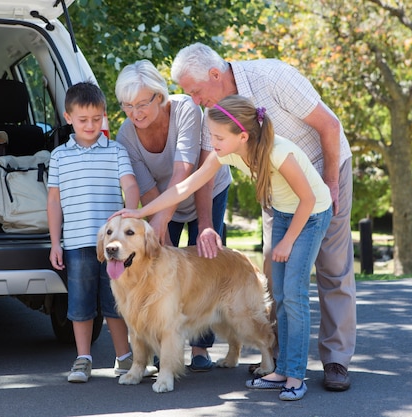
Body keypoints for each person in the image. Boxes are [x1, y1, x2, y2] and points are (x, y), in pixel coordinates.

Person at [113, 95, 332, 401]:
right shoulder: (225, 153)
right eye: (211, 136)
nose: (211, 142)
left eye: (217, 137)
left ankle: (295, 376)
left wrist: (287, 241)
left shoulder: (279, 153)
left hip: (311, 214)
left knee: (294, 296)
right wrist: (139, 211)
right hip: (284, 212)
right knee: (280, 295)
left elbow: (309, 200)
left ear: (242, 136)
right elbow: (183, 187)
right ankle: (280, 368)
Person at [170, 42, 356, 392]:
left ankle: (336, 360)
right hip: (276, 187)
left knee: (333, 269)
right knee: (275, 273)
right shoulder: (216, 110)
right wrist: (206, 224)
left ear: (214, 74)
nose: (193, 100)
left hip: (325, 170)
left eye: (194, 91)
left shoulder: (273, 76)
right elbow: (206, 169)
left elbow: (330, 126)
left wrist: (330, 184)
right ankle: (279, 358)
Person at [114, 59, 232, 371]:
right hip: (162, 203)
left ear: (159, 96)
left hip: (205, 189)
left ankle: (200, 349)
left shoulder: (185, 111)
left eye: (142, 104)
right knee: (160, 268)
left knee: (205, 267)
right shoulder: (126, 136)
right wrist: (159, 227)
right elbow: (150, 190)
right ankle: (160, 344)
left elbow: (186, 171)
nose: (135, 113)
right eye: (127, 106)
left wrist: (202, 224)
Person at [47, 81, 156, 383]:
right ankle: (83, 359)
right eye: (83, 120)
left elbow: (131, 185)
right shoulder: (59, 156)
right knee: (80, 303)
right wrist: (56, 243)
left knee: (116, 303)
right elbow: (54, 202)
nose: (91, 125)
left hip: (115, 246)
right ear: (68, 117)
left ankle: (124, 358)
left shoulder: (116, 150)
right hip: (78, 243)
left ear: (104, 116)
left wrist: (129, 215)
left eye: (97, 119)